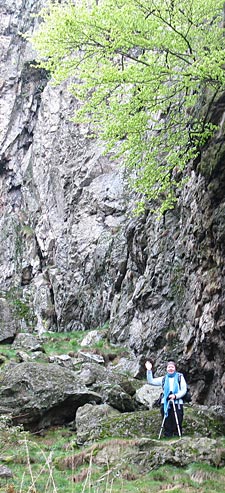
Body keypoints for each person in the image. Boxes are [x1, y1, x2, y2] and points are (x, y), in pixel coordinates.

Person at [145, 360, 187, 437]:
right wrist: (149, 370)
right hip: (165, 402)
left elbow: (184, 390)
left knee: (178, 418)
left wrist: (175, 396)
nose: (170, 369)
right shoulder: (164, 378)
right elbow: (151, 381)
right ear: (166, 369)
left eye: (172, 367)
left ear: (175, 368)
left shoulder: (180, 377)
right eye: (169, 367)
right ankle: (168, 435)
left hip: (177, 402)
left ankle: (177, 435)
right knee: (166, 419)